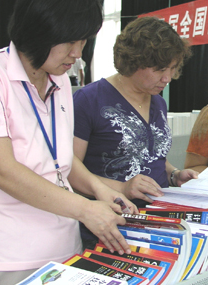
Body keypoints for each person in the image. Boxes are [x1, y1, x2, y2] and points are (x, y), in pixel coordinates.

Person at [0, 0, 137, 285]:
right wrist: (86, 208)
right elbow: (0, 170)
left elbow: (60, 159)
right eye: (70, 41)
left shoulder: (60, 81)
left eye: (83, 41)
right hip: (6, 259)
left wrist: (98, 188)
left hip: (65, 250)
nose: (77, 53)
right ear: (38, 29)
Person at [73, 16, 198, 247]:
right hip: (110, 227)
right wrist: (121, 187)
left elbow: (150, 154)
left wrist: (173, 174)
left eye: (172, 69)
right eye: (159, 69)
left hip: (158, 220)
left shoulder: (158, 102)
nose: (167, 78)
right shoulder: (89, 100)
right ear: (133, 61)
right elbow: (69, 169)